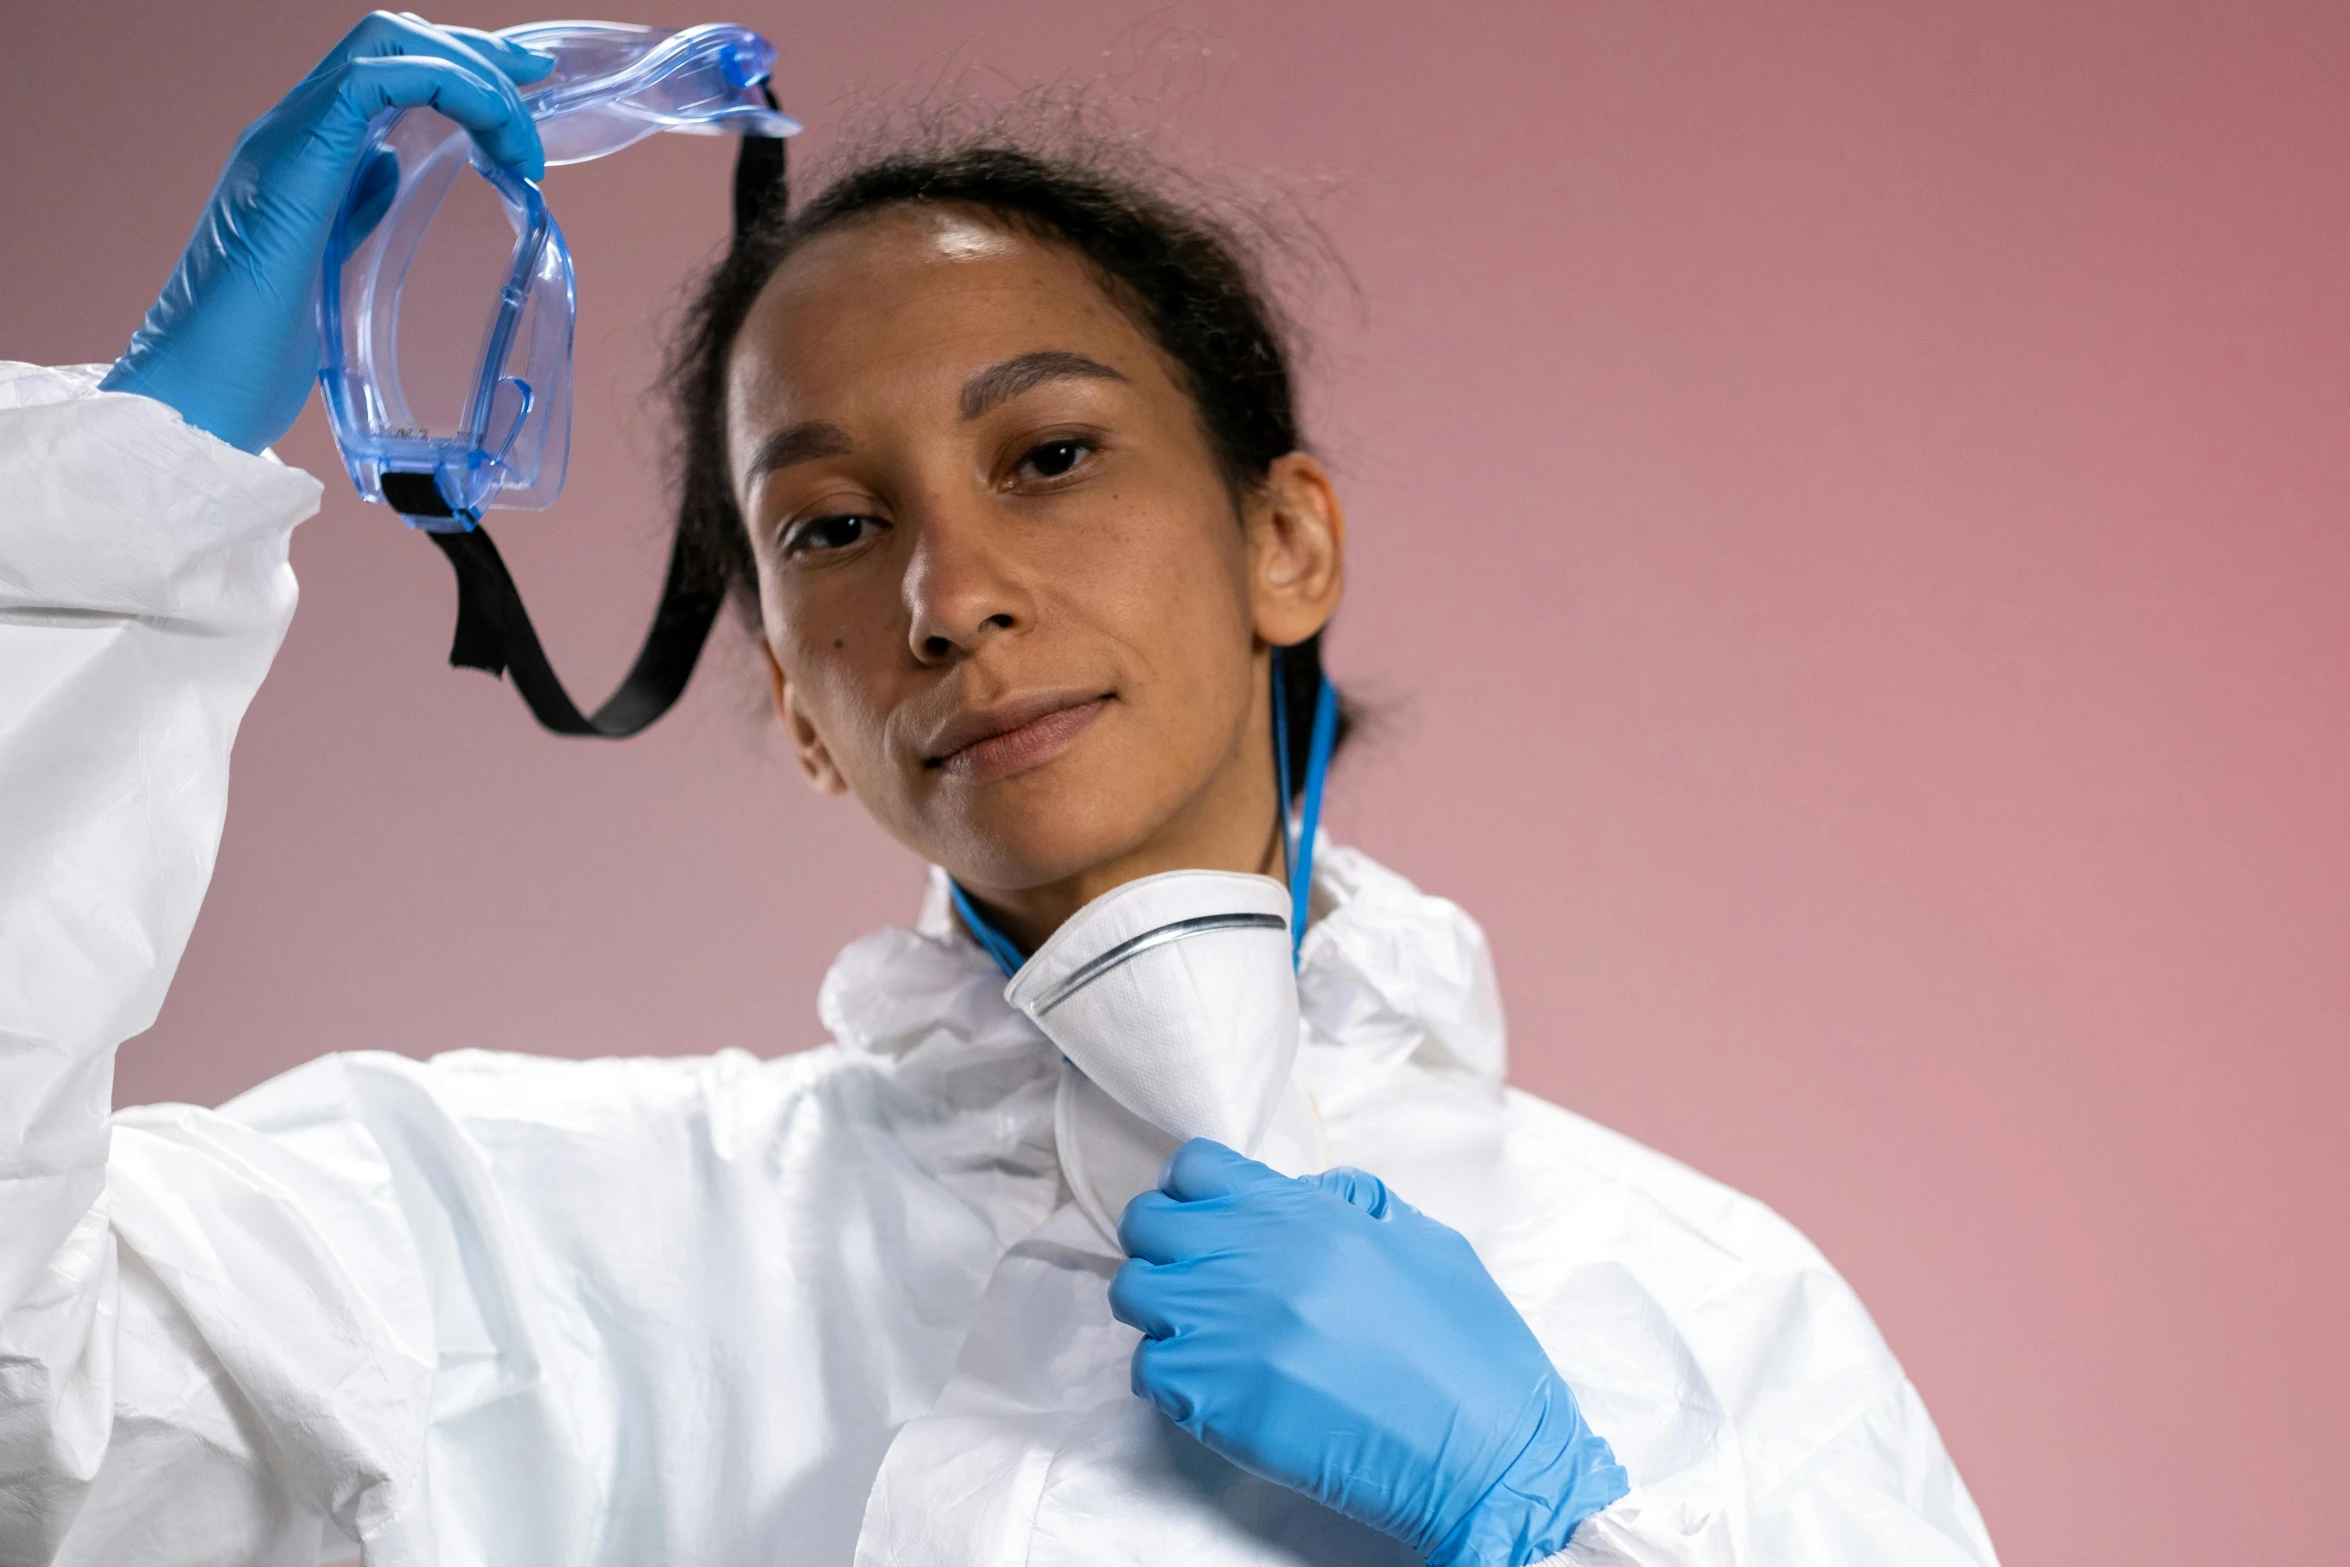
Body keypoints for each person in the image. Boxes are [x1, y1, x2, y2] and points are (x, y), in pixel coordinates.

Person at [0, 14, 1999, 1566]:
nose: (950, 600)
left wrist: (1539, 1523)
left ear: (1284, 539)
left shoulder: (1689, 1298)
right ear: (794, 704)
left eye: (1045, 457)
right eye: (839, 529)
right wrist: (119, 500)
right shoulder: (543, 1247)